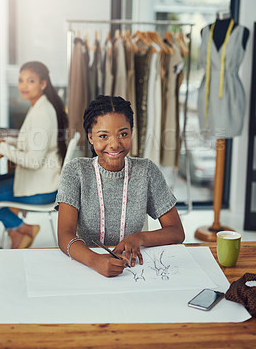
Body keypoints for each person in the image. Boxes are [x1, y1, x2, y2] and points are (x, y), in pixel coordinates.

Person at [56, 95, 184, 278]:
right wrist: (96, 261)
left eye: (123, 134)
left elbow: (177, 232)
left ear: (132, 132)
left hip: (134, 271)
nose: (114, 144)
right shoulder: (76, 171)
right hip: (87, 268)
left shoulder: (146, 171)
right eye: (103, 136)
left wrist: (139, 237)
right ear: (91, 138)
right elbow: (64, 235)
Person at [0, 61, 68, 249]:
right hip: (38, 181)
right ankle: (19, 230)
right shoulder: (40, 106)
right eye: (21, 81)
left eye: (30, 81)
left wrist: (1, 149)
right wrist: (2, 143)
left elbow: (33, 161)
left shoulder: (42, 112)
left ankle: (21, 228)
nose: (23, 86)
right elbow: (29, 141)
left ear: (43, 84)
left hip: (41, 190)